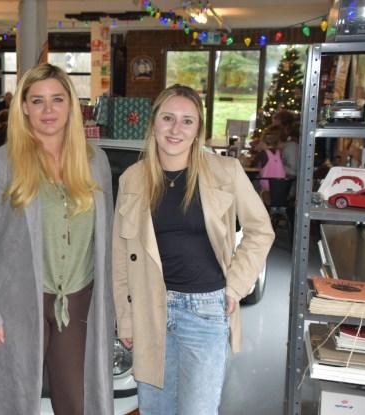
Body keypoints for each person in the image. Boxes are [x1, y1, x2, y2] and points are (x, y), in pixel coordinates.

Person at [112, 84, 274, 415]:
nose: (176, 129)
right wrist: (126, 320)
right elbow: (121, 256)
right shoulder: (132, 179)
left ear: (198, 128)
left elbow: (261, 230)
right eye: (168, 118)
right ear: (154, 122)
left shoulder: (224, 172)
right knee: (155, 410)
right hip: (149, 310)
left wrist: (235, 286)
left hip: (205, 311)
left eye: (187, 121)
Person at [0, 63, 115, 415]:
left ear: (71, 104)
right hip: (19, 302)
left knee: (78, 401)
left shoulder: (96, 162)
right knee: (13, 400)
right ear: (24, 107)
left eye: (57, 99)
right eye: (37, 101)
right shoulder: (2, 164)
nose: (48, 110)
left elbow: (108, 241)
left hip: (78, 302)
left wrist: (114, 307)